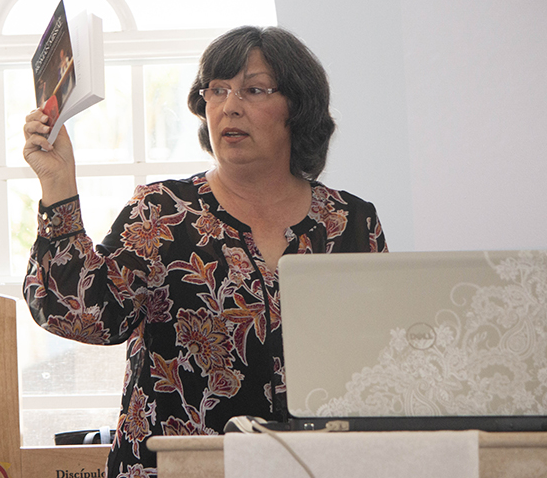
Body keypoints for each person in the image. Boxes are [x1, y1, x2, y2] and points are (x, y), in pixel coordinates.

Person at [22, 25, 388, 477]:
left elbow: (380, 364)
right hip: (176, 469)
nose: (230, 106)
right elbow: (81, 314)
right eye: (217, 90)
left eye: (253, 90)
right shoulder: (162, 211)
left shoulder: (352, 222)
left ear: (298, 108)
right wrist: (57, 184)